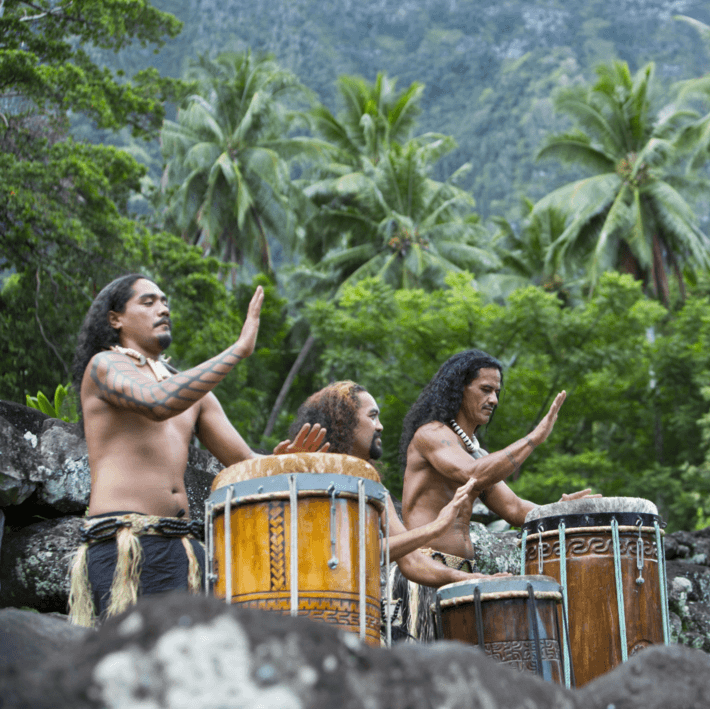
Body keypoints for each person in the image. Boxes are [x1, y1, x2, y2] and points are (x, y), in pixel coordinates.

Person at [68, 274, 325, 626]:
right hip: (126, 546)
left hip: (184, 549)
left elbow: (246, 463)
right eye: (148, 302)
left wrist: (291, 461)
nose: (163, 308)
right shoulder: (105, 366)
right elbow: (157, 402)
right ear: (116, 319)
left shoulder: (194, 394)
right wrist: (238, 350)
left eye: (164, 301)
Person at [396, 350, 595, 637]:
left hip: (464, 575)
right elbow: (471, 474)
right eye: (485, 390)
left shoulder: (477, 453)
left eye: (497, 392)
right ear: (459, 389)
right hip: (424, 572)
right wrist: (534, 438)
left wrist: (559, 510)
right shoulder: (431, 434)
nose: (494, 400)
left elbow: (513, 508)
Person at [289, 380, 498, 641]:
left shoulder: (374, 485)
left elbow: (411, 561)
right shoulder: (309, 475)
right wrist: (434, 527)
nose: (380, 426)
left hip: (360, 617)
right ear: (343, 421)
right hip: (315, 616)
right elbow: (352, 553)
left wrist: (468, 578)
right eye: (372, 416)